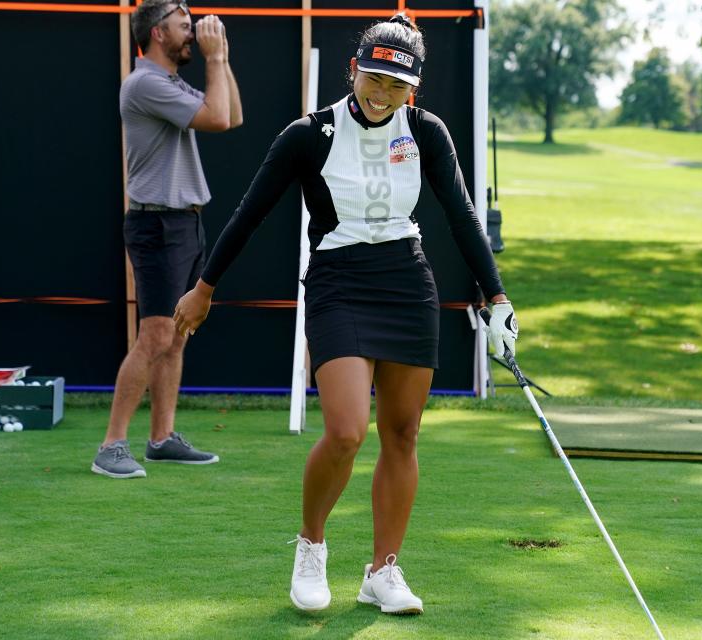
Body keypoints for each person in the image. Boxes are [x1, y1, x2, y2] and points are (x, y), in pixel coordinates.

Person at [173, 14, 519, 614]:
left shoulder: (427, 133)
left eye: (397, 86)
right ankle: (311, 545)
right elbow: (249, 214)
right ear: (353, 69)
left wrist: (497, 298)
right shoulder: (309, 134)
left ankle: (382, 571)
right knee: (346, 429)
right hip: (338, 282)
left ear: (413, 89)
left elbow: (462, 216)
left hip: (407, 285)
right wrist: (204, 287)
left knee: (403, 433)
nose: (383, 94)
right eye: (375, 79)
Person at [91, 0, 244, 479]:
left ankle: (161, 439)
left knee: (177, 336)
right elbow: (217, 118)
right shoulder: (145, 84)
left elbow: (232, 114)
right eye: (184, 26)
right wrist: (216, 59)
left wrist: (223, 58)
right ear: (157, 33)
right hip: (156, 225)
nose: (192, 33)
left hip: (183, 223)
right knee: (155, 335)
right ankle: (111, 446)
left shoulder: (170, 82)